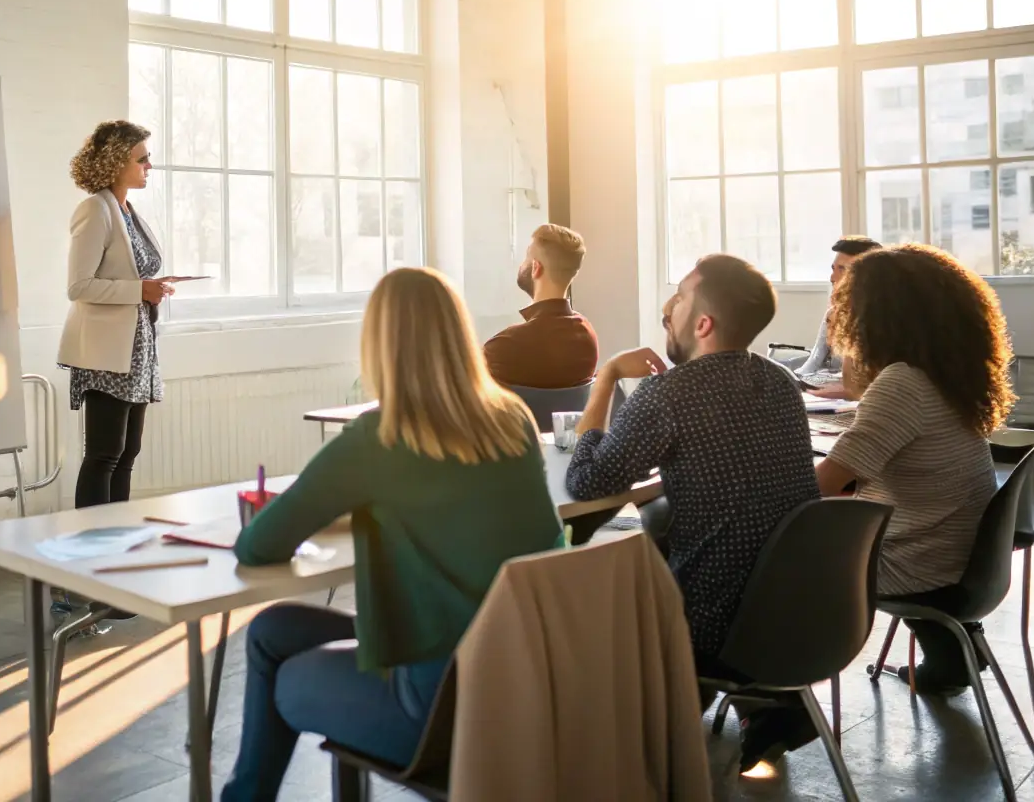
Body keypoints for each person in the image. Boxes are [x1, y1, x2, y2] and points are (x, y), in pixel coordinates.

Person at [222, 267, 564, 802]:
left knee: (283, 675)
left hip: (430, 712)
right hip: (522, 683)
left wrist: (332, 506)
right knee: (273, 630)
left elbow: (258, 545)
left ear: (379, 345)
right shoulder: (512, 418)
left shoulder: (377, 437)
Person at [564, 253, 820, 770]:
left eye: (678, 299)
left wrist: (607, 377)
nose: (666, 309)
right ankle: (756, 704)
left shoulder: (668, 393)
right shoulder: (781, 383)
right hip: (802, 617)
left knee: (595, 588)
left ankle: (621, 739)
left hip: (714, 629)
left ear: (702, 323)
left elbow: (587, 482)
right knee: (662, 524)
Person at [815, 244, 1012, 695]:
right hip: (963, 558)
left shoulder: (904, 383)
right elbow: (862, 396)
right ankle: (951, 656)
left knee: (771, 550)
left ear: (882, 315)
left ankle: (776, 698)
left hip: (921, 565)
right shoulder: (944, 373)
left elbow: (825, 484)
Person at [57, 120, 174, 512]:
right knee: (105, 454)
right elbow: (79, 286)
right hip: (106, 354)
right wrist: (139, 290)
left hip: (137, 350)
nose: (149, 167)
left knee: (127, 454)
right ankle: (89, 550)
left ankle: (117, 541)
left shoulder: (127, 209)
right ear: (115, 163)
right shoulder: (95, 209)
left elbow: (127, 274)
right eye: (142, 159)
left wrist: (152, 288)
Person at [483, 223, 599, 389]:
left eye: (526, 258)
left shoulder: (505, 345)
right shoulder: (588, 337)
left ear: (536, 268)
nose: (522, 265)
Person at [795, 235, 879, 396]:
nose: (832, 278)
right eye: (833, 269)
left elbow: (864, 386)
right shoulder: (833, 313)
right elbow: (813, 362)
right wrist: (794, 380)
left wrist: (818, 393)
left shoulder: (883, 321)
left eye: (843, 269)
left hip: (848, 397)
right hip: (821, 389)